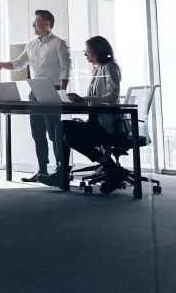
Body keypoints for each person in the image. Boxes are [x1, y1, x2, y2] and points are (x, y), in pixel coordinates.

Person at [37, 36, 130, 194]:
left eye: (88, 51)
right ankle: (62, 173)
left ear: (97, 51)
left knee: (71, 137)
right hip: (95, 122)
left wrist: (84, 99)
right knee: (61, 125)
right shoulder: (97, 69)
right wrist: (77, 101)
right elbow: (95, 99)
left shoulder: (109, 67)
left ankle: (111, 168)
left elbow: (112, 98)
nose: (86, 55)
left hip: (108, 126)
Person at [0, 10, 71, 182]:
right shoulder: (31, 45)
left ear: (47, 24)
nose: (33, 25)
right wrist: (0, 65)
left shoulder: (59, 43)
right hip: (35, 90)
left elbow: (66, 67)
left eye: (36, 21)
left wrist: (62, 91)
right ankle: (42, 170)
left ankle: (61, 170)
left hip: (52, 90)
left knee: (54, 133)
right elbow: (18, 64)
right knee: (37, 133)